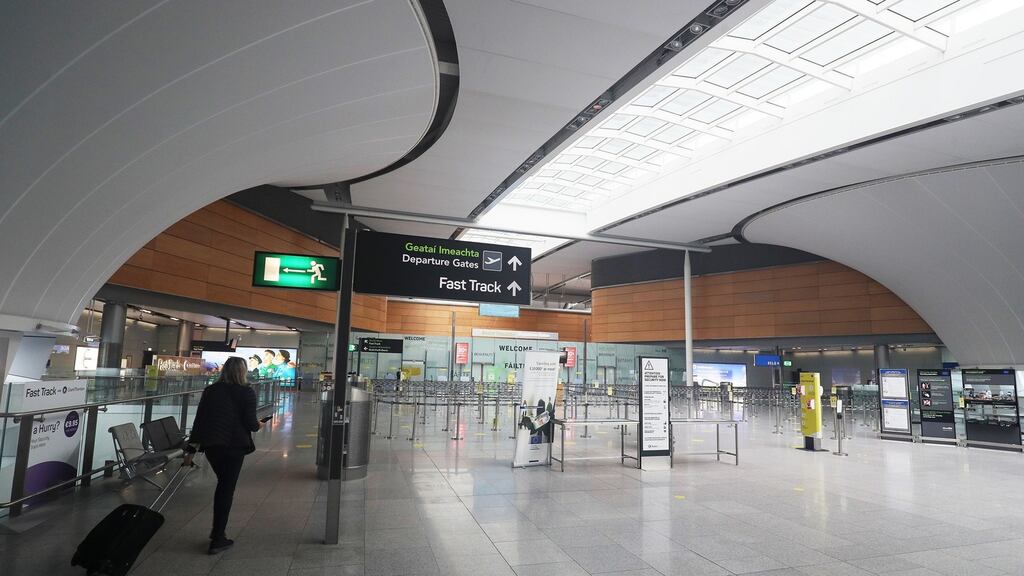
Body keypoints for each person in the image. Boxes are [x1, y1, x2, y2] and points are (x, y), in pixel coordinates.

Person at [188, 356, 261, 554]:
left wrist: (191, 448)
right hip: (235, 446)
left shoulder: (210, 391)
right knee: (226, 489)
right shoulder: (246, 392)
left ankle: (217, 533)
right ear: (242, 371)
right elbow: (251, 423)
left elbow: (200, 420)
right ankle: (218, 536)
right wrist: (259, 425)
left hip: (213, 445)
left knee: (223, 484)